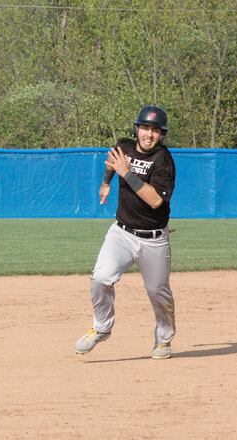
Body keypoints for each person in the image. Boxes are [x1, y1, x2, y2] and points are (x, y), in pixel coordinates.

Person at [74, 105, 176, 360]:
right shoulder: (124, 146)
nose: (149, 134)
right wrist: (106, 183)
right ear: (137, 128)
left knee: (157, 291)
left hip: (153, 239)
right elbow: (112, 162)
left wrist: (127, 173)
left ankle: (164, 338)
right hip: (122, 232)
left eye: (155, 130)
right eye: (145, 128)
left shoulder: (164, 161)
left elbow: (155, 201)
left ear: (161, 134)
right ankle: (102, 328)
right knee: (101, 278)